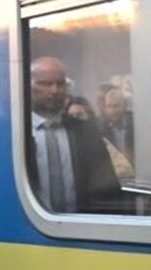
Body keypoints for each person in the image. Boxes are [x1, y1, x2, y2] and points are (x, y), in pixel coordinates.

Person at [28, 56, 121, 213]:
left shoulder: (85, 132)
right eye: (45, 84)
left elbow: (108, 190)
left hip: (80, 223)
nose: (54, 90)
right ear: (28, 86)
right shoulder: (16, 136)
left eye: (60, 84)